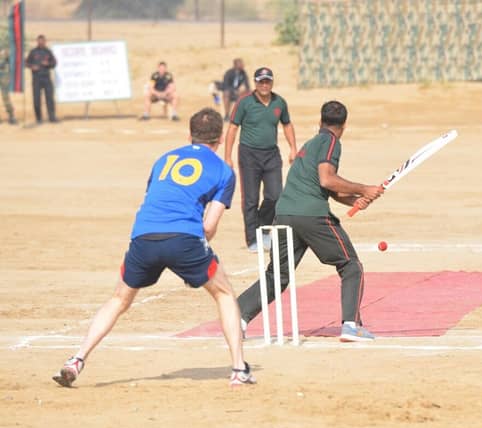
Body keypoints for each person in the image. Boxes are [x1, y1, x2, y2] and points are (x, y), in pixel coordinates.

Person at [52, 108, 256, 388]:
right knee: (224, 294)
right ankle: (238, 369)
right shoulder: (224, 171)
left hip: (143, 235)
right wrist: (191, 255)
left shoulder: (164, 159)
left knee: (119, 299)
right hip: (184, 237)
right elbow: (209, 227)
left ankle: (76, 359)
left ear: (189, 135)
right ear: (220, 139)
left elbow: (154, 198)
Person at [237, 100, 384, 342]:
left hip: (284, 214)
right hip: (311, 216)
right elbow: (327, 179)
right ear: (344, 125)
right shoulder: (331, 142)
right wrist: (364, 188)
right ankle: (350, 325)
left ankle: (238, 317)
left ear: (320, 121)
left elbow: (327, 188)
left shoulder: (311, 144)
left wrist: (356, 200)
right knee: (351, 266)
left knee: (277, 275)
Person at [224, 67, 297, 252]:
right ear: (255, 83)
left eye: (267, 81)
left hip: (271, 155)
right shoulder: (244, 102)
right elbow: (233, 128)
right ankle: (252, 240)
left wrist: (293, 149)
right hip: (249, 154)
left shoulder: (279, 102)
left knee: (275, 196)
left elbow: (287, 125)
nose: (264, 85)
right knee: (251, 199)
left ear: (272, 82)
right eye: (261, 81)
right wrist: (227, 157)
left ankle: (263, 230)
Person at [25, 34, 57, 124]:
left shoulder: (48, 51)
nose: (41, 43)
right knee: (36, 99)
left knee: (49, 99)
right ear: (37, 42)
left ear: (45, 42)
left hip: (46, 78)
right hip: (36, 79)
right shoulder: (33, 52)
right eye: (39, 41)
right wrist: (32, 66)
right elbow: (26, 63)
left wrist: (48, 64)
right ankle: (39, 118)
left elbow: (54, 63)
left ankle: (52, 117)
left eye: (42, 41)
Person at [0, 46, 17, 125]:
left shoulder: (4, 52)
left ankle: (11, 116)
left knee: (5, 97)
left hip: (4, 77)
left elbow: (11, 62)